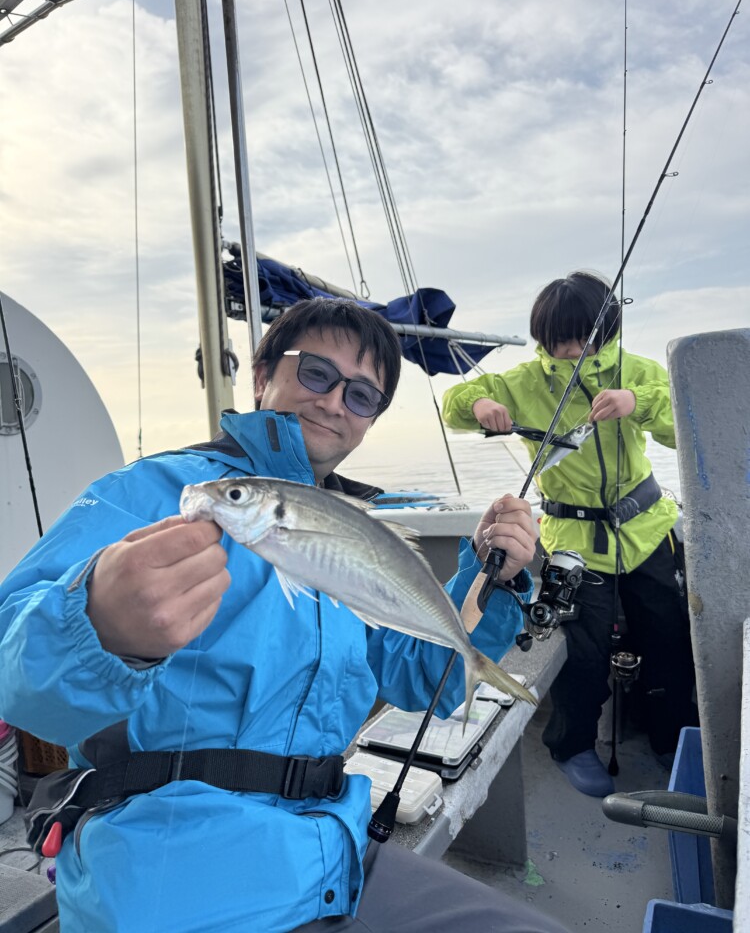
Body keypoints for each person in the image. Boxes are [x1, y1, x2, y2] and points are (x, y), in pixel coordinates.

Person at [0, 298, 568, 933]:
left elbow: (422, 677)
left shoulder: (350, 529)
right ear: (262, 374)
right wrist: (98, 626)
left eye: (361, 396)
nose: (333, 403)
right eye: (317, 374)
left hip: (337, 856)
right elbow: (13, 672)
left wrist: (489, 577)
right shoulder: (151, 492)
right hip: (172, 872)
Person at [442, 272, 698, 799]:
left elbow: (687, 424)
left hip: (648, 531)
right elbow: (456, 401)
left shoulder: (638, 372)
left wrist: (638, 403)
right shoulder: (525, 382)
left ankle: (672, 739)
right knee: (583, 652)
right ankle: (571, 744)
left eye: (584, 336)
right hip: (575, 542)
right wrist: (480, 408)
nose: (572, 349)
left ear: (607, 329)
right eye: (560, 339)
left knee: (669, 640)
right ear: (542, 336)